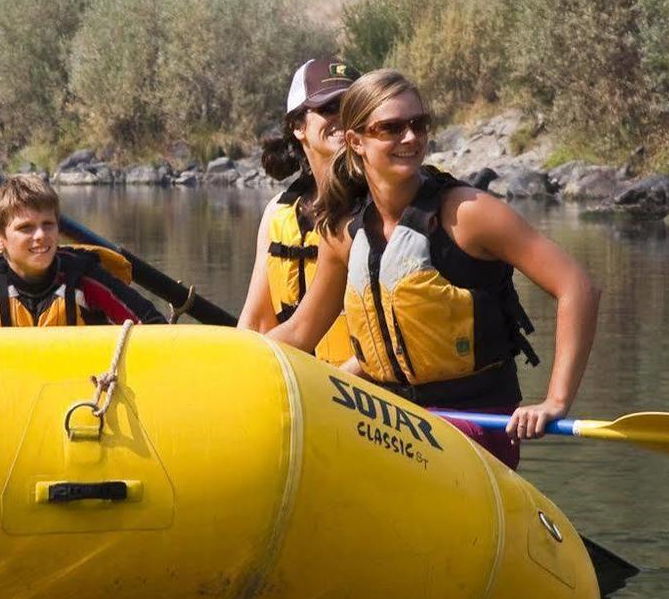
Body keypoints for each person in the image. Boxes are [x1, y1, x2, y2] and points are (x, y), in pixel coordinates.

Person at [268, 69, 600, 469]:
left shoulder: (468, 214)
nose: (410, 138)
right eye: (391, 128)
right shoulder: (344, 233)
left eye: (419, 124)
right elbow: (301, 333)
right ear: (356, 140)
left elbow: (577, 287)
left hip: (473, 431)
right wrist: (231, 359)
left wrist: (555, 401)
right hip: (386, 424)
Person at [239, 58, 360, 367]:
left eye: (353, 107)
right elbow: (255, 322)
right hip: (301, 381)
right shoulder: (279, 212)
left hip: (363, 392)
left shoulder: (380, 208)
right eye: (329, 108)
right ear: (298, 126)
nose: (344, 118)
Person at [0, 175, 166, 328]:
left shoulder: (83, 276)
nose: (41, 235)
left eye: (48, 224)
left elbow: (153, 326)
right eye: (26, 228)